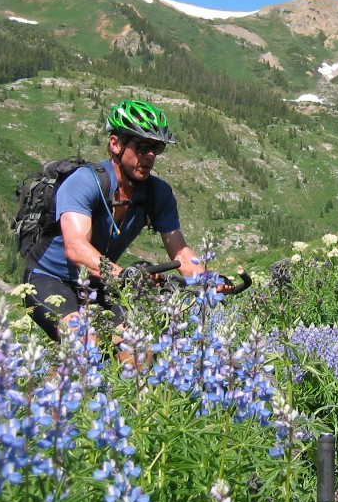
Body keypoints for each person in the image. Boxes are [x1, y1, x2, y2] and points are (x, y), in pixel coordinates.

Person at [23, 98, 212, 343]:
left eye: (157, 148)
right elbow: (76, 247)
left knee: (135, 345)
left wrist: (210, 281)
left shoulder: (158, 193)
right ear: (115, 144)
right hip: (49, 279)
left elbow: (182, 255)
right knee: (84, 343)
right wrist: (124, 276)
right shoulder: (85, 182)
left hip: (100, 282)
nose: (150, 156)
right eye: (143, 147)